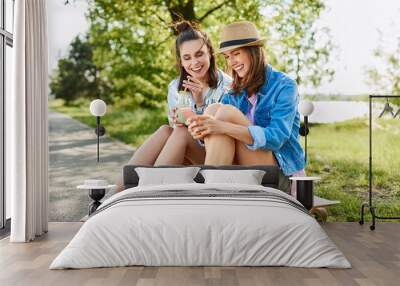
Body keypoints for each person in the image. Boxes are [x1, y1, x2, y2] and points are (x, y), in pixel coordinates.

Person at [187, 21, 305, 193]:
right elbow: (218, 137)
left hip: (280, 175)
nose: (231, 62)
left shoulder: (284, 86)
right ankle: (210, 190)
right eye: (227, 56)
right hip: (245, 170)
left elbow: (276, 137)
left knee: (223, 112)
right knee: (213, 110)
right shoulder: (234, 92)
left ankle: (207, 192)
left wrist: (222, 126)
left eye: (236, 54)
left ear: (253, 52)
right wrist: (201, 131)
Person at [115, 21, 231, 192]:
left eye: (199, 54)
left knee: (182, 132)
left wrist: (199, 104)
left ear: (210, 54)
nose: (194, 62)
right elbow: (174, 131)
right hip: (186, 152)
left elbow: (219, 137)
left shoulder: (227, 87)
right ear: (181, 61)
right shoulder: (175, 87)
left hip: (216, 157)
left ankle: (147, 192)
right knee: (165, 130)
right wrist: (177, 121)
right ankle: (114, 194)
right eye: (187, 58)